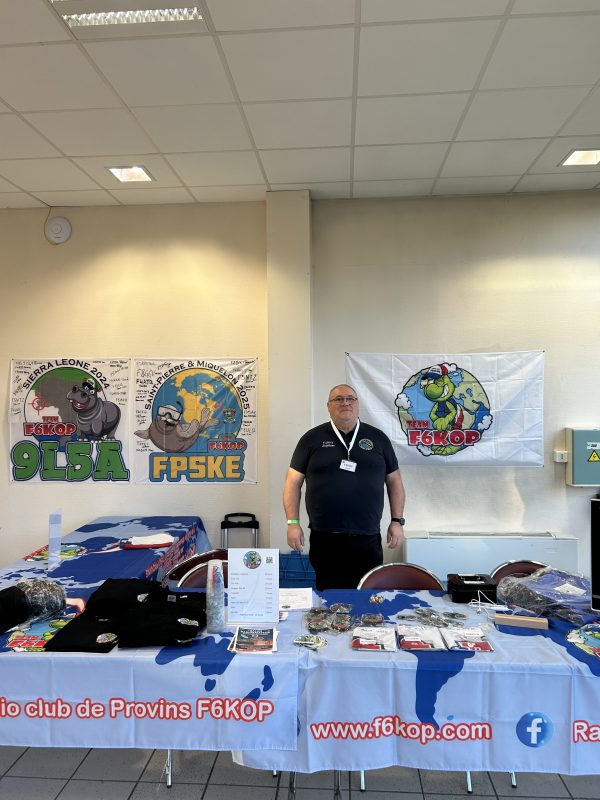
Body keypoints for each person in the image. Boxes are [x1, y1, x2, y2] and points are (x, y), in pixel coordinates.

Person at [283, 384, 406, 590]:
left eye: (350, 398)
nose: (345, 403)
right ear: (328, 406)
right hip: (325, 537)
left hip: (367, 536)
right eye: (338, 399)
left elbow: (395, 481)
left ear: (357, 404)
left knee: (367, 592)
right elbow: (292, 482)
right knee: (328, 594)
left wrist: (397, 521)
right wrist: (292, 523)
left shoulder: (378, 439)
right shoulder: (311, 439)